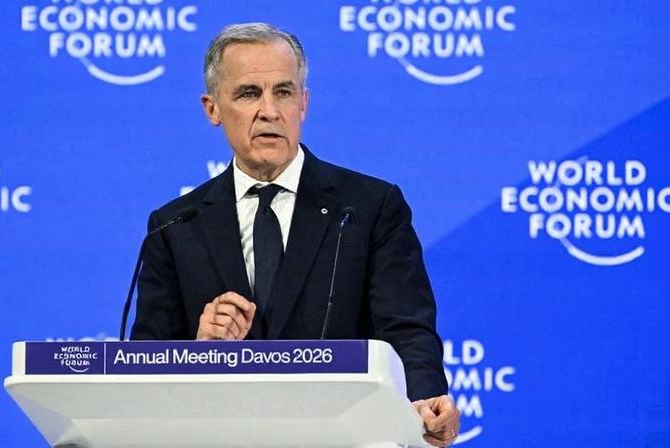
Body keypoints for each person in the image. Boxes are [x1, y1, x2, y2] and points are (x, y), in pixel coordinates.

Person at [131, 22, 460, 446]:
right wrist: (199, 350)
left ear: (303, 103)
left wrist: (425, 399)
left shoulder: (368, 207)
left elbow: (407, 331)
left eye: (283, 92)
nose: (270, 110)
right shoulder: (176, 224)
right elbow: (144, 367)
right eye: (249, 93)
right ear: (212, 108)